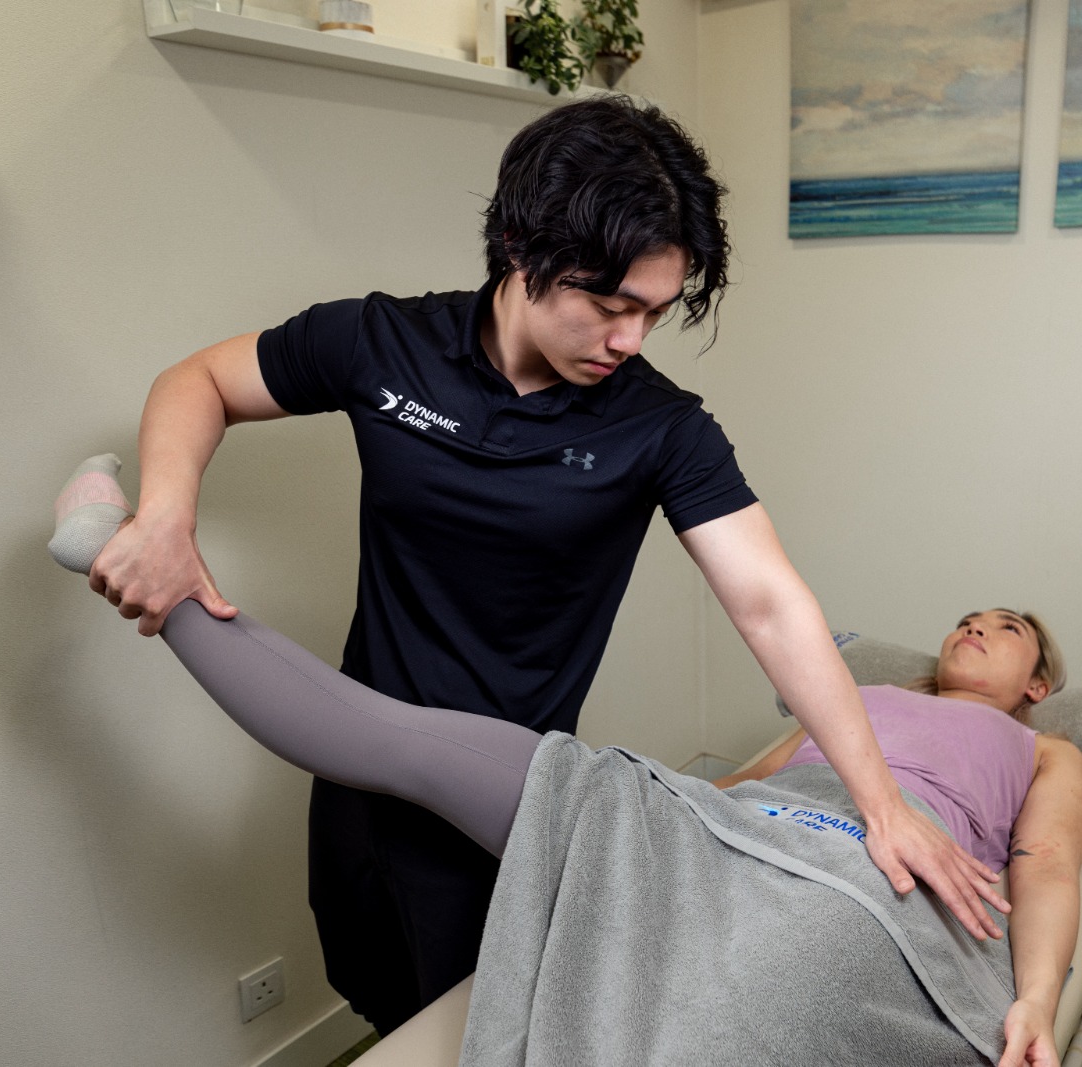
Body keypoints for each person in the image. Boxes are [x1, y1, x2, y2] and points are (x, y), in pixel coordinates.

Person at [74, 96, 1003, 1035]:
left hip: (504, 797)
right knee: (374, 991)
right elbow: (198, 380)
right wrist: (167, 513)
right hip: (350, 760)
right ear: (521, 248)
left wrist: (883, 804)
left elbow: (770, 603)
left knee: (487, 1026)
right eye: (609, 305)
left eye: (654, 312)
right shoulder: (382, 344)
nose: (630, 340)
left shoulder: (662, 427)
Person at [50, 462, 1082, 1066]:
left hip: (872, 877)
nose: (975, 626)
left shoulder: (1045, 750)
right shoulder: (857, 696)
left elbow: (1045, 864)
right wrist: (645, 816)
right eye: (968, 616)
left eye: (1004, 627)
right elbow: (745, 781)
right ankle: (137, 563)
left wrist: (1037, 997)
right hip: (728, 830)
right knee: (411, 742)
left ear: (1038, 682)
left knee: (734, 1001)